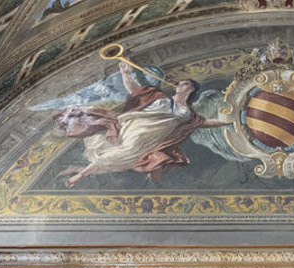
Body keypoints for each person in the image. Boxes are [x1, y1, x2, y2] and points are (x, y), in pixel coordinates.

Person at [56, 67, 228, 186]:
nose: (181, 85)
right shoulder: (158, 96)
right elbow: (134, 91)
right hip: (133, 126)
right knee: (107, 148)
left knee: (119, 156)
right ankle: (81, 173)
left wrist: (230, 119)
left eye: (186, 84)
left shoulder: (189, 113)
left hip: (148, 138)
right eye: (180, 83)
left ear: (191, 89)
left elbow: (207, 123)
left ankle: (80, 175)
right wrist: (125, 73)